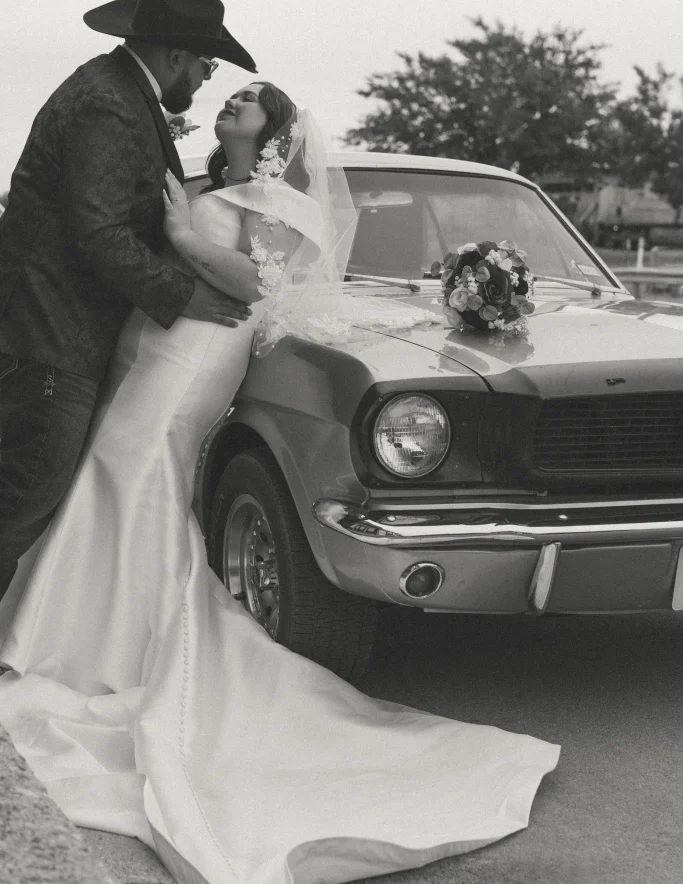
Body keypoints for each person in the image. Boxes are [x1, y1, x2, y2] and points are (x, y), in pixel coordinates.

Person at [0, 83, 560, 884]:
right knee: (111, 470)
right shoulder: (204, 184)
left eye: (248, 104)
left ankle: (109, 656)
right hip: (152, 343)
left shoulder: (276, 199)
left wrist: (179, 236)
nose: (231, 107)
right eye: (228, 100)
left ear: (276, 133)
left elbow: (262, 282)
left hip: (200, 348)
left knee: (140, 467)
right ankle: (68, 638)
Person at [0, 0, 257, 600]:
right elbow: (100, 233)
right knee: (23, 498)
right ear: (175, 56)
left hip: (50, 327)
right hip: (49, 333)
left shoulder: (117, 91)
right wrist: (184, 294)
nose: (204, 79)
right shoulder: (109, 104)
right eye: (205, 64)